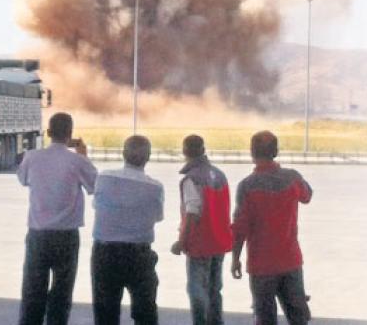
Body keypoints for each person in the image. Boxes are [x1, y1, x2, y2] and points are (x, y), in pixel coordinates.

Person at [17, 112, 98, 325]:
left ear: (48, 133)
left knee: (32, 291)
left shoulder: (32, 157)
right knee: (62, 294)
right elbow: (94, 186)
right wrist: (83, 155)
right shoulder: (77, 161)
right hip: (66, 236)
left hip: (38, 235)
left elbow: (23, 180)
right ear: (70, 134)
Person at [230, 131, 313, 325]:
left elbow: (239, 228)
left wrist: (235, 259)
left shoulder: (247, 186)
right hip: (291, 261)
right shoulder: (292, 178)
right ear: (276, 152)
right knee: (298, 318)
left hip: (261, 266)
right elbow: (307, 196)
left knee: (265, 318)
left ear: (252, 152)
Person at [91, 135, 164, 325]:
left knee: (105, 313)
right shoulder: (155, 187)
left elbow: (96, 204)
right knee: (145, 312)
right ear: (148, 157)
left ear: (123, 154)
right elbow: (157, 217)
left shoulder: (104, 178)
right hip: (139, 255)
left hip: (105, 254)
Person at [171, 135, 233, 325]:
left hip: (200, 245)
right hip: (219, 242)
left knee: (197, 291)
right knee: (215, 290)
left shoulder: (192, 179)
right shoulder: (219, 174)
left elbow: (192, 212)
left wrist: (181, 241)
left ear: (184, 151)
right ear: (203, 149)